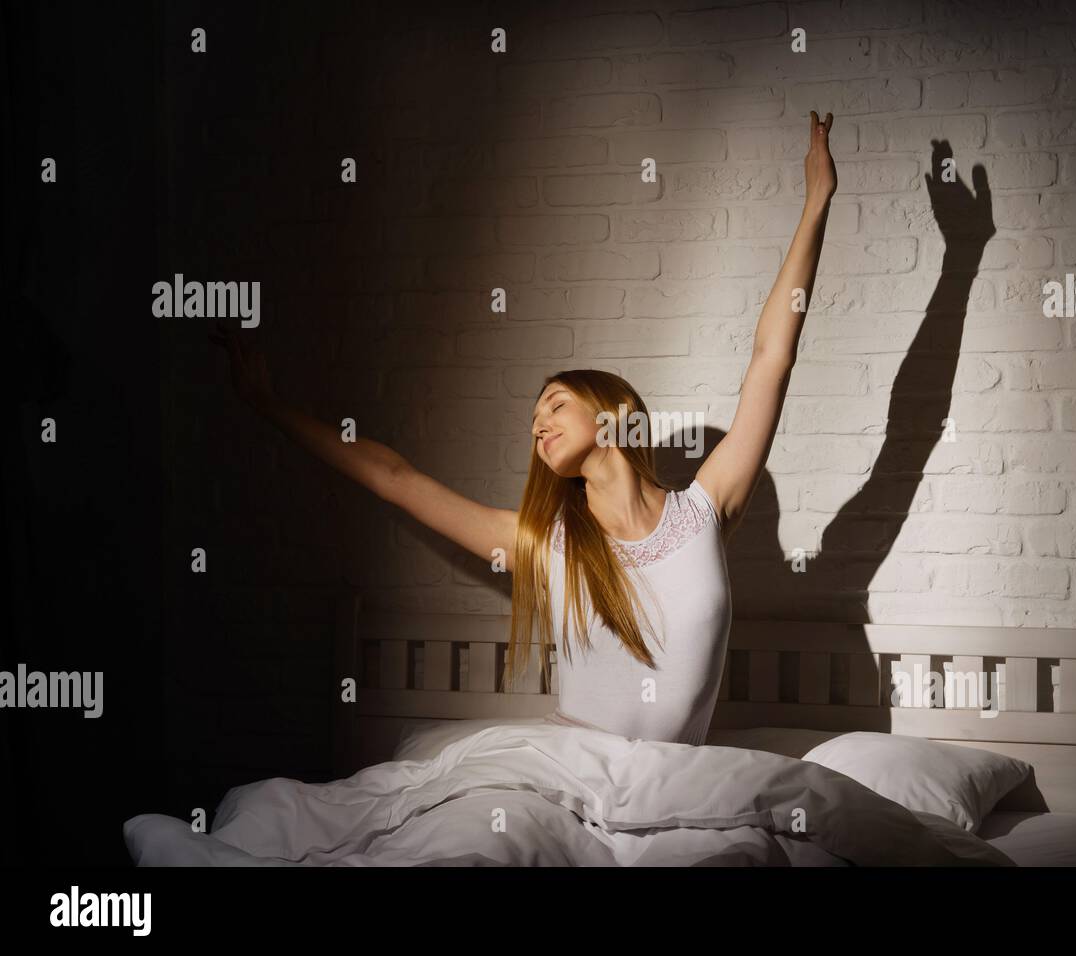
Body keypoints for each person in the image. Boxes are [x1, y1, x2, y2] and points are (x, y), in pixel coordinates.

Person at [211, 110, 838, 746]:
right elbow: (393, 477)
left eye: (556, 403)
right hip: (567, 778)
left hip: (674, 787)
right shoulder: (546, 543)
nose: (538, 422)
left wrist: (815, 203)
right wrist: (268, 406)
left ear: (613, 412)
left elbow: (770, 359)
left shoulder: (706, 509)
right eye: (534, 415)